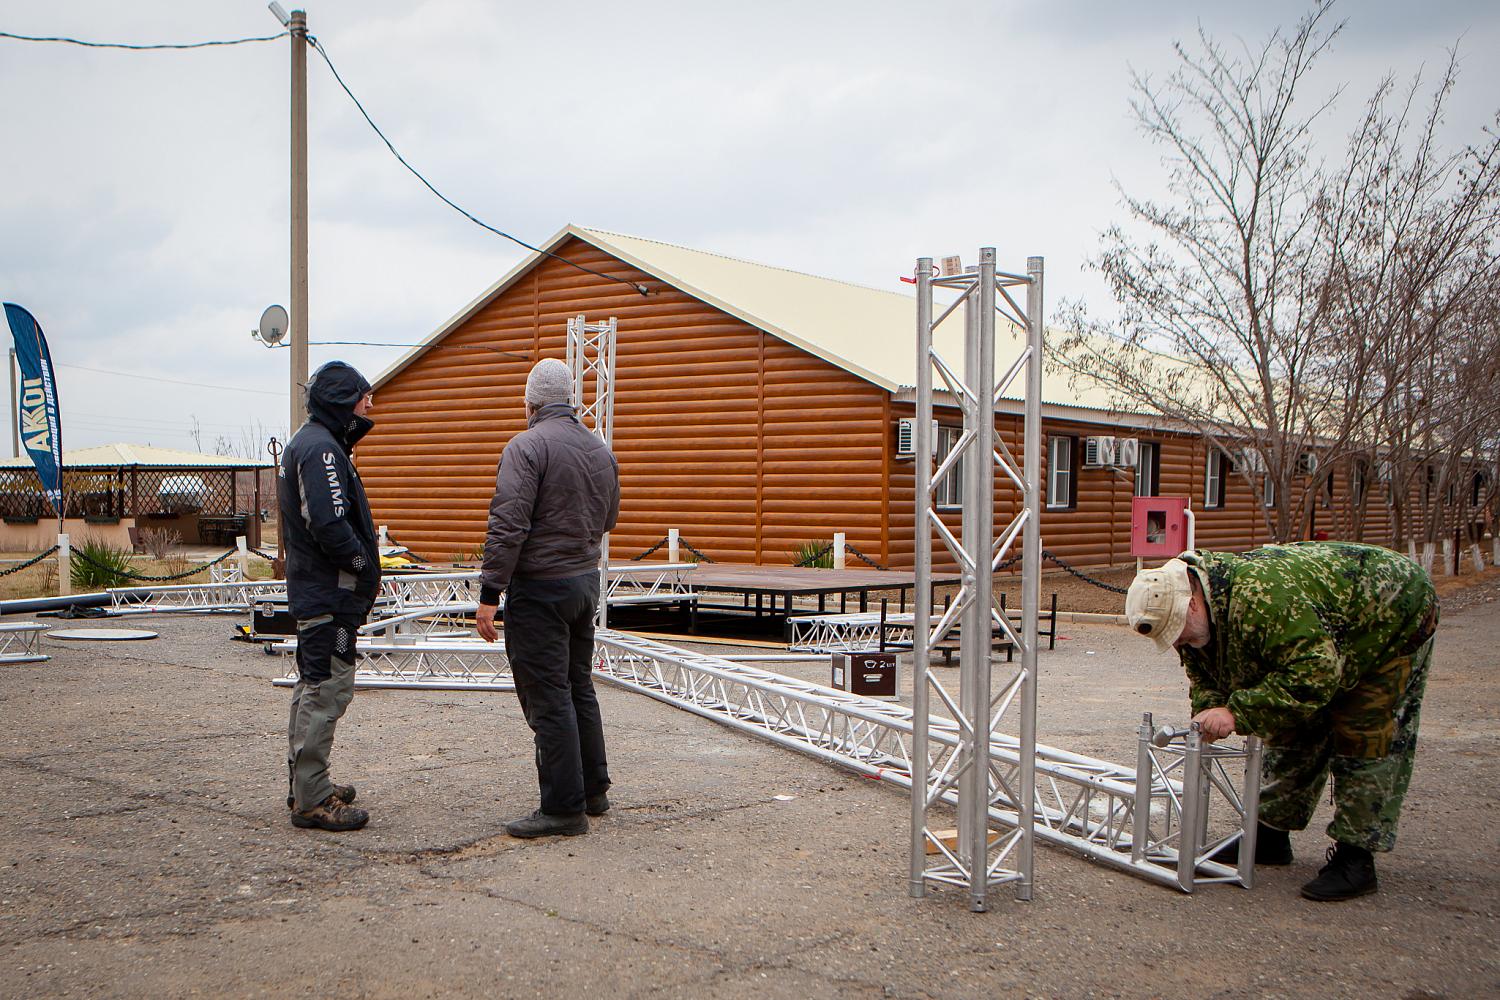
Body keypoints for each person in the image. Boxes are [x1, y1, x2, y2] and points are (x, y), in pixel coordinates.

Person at [1125, 541, 1438, 901]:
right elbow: (1206, 675)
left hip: (1391, 615)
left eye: (1177, 630)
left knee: (1366, 729)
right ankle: (1271, 835)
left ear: (1191, 603)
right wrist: (1210, 709)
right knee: (1289, 723)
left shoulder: (1265, 599)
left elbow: (1315, 674)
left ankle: (1357, 857)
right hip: (1328, 634)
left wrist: (1237, 713)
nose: (1178, 641)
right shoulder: (1198, 613)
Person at [476, 357, 620, 838]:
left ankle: (562, 808)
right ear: (570, 400)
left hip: (541, 588)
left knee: (550, 698)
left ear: (530, 402)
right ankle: (592, 789)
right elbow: (609, 519)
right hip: (583, 584)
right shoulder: (600, 450)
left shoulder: (526, 447)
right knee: (579, 686)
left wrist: (490, 593)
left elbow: (508, 524)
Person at [278, 361, 382, 832]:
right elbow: (328, 522)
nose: (370, 406)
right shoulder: (321, 449)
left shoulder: (313, 442)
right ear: (342, 402)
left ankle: (307, 782)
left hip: (319, 591)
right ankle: (312, 798)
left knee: (313, 683)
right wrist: (361, 566)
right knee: (327, 689)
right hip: (329, 594)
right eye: (363, 397)